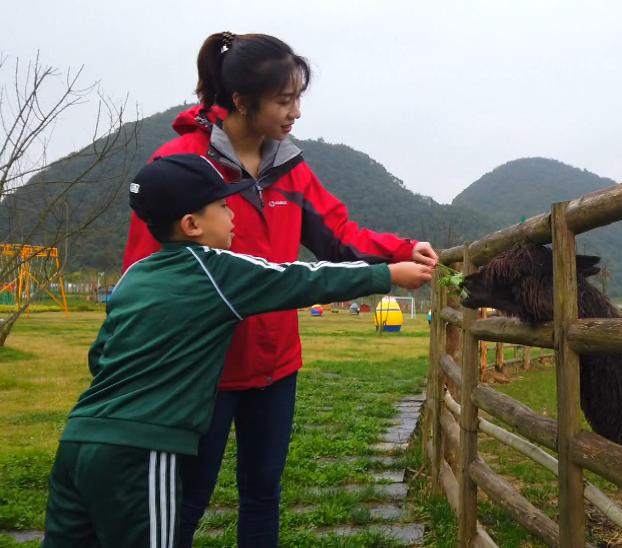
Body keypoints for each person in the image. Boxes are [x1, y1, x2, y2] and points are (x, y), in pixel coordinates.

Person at [121, 32, 439, 547]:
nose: (295, 113)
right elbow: (146, 273)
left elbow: (340, 237)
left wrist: (402, 248)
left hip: (275, 364)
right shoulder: (180, 167)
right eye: (284, 100)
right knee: (187, 499)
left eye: (298, 99)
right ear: (243, 101)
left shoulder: (290, 168)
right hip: (203, 370)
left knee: (263, 495)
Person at [43, 154, 432, 548]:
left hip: (78, 440)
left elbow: (100, 355)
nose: (234, 216)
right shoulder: (218, 271)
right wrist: (388, 273)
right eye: (225, 206)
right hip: (141, 452)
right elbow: (303, 278)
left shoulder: (133, 276)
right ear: (192, 224)